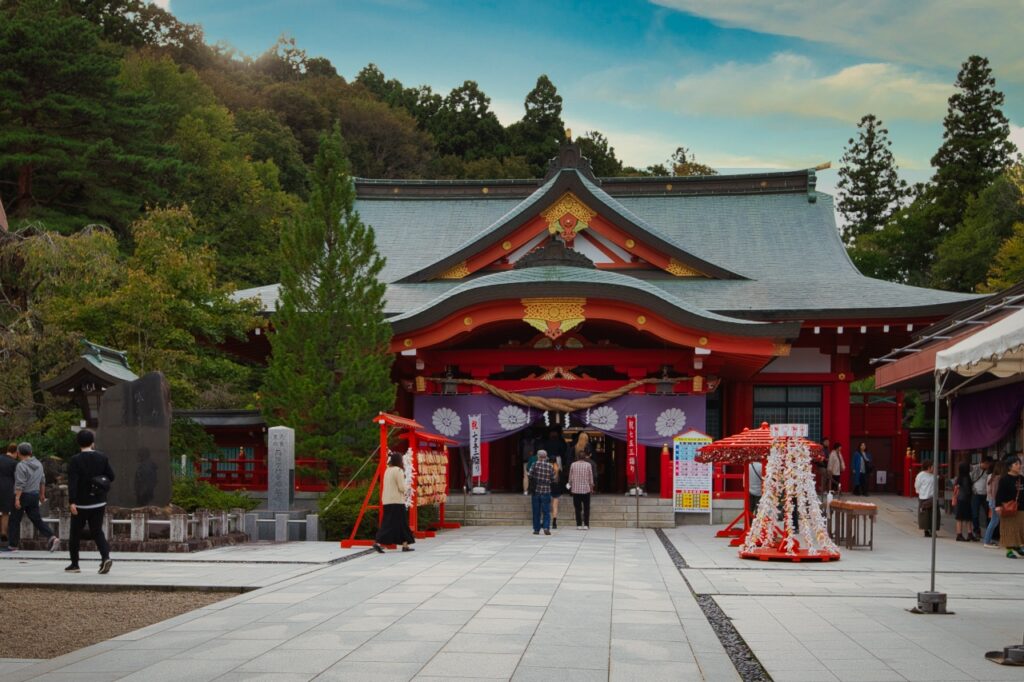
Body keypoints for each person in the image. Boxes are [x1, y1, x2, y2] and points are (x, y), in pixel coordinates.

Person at [67, 430, 115, 573]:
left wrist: (72, 501)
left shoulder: (75, 460)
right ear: (92, 442)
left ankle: (75, 564)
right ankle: (105, 557)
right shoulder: (102, 457)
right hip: (99, 501)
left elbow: (72, 482)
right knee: (97, 531)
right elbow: (111, 476)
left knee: (75, 534)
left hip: (81, 503)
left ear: (78, 443)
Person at [3, 443, 60, 553]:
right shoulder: (38, 464)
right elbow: (42, 480)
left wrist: (17, 499)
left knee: (14, 520)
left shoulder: (21, 465)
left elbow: (20, 483)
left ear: (19, 453)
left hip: (23, 495)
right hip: (34, 495)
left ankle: (13, 546)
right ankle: (52, 537)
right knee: (37, 520)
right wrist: (42, 495)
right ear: (31, 452)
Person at [373, 451, 415, 553]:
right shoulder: (398, 471)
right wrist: (407, 488)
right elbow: (401, 487)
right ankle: (378, 542)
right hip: (397, 501)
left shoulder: (388, 470)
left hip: (387, 500)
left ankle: (405, 545)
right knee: (396, 523)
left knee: (396, 523)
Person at [995, 455, 1024, 559]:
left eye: (1019, 463)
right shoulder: (1004, 479)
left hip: (1021, 508)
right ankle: (1009, 550)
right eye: (1016, 464)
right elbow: (999, 494)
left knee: (1020, 529)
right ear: (1010, 466)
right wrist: (998, 506)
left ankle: (1018, 546)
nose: (1019, 466)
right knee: (1009, 529)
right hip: (1008, 508)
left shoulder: (1021, 478)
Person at [545, 429, 567, 529]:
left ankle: (546, 520)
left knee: (546, 503)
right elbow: (563, 451)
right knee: (555, 504)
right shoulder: (560, 442)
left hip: (547, 484)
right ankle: (554, 521)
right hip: (556, 484)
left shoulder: (547, 443)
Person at [528, 450, 554, 535]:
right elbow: (553, 478)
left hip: (536, 490)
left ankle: (536, 529)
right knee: (546, 511)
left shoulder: (534, 464)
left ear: (538, 456)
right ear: (546, 456)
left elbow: (529, 475)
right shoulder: (550, 466)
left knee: (536, 511)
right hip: (546, 490)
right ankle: (546, 527)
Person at [569, 449, 595, 529]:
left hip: (576, 490)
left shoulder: (573, 464)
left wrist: (570, 485)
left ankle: (579, 525)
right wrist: (592, 487)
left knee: (577, 508)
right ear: (585, 457)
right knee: (586, 508)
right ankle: (586, 525)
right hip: (586, 489)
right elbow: (591, 477)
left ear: (577, 457)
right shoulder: (588, 465)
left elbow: (570, 477)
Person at [983, 460, 1005, 548]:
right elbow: (996, 492)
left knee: (994, 521)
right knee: (994, 522)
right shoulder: (999, 478)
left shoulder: (992, 477)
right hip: (996, 502)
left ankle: (987, 540)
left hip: (992, 500)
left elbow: (989, 491)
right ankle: (987, 541)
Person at [970, 456, 991, 541]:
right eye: (988, 464)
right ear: (984, 463)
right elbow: (970, 479)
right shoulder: (974, 468)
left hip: (986, 494)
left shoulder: (989, 471)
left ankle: (989, 531)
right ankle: (977, 531)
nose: (988, 466)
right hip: (976, 494)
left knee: (988, 513)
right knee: (975, 514)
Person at [915, 459, 938, 537]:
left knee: (934, 515)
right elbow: (917, 485)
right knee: (925, 516)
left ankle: (933, 530)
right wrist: (921, 493)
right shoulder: (921, 475)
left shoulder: (935, 475)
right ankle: (926, 530)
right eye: (933, 466)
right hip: (924, 497)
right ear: (929, 467)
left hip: (933, 497)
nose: (934, 468)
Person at [0, 443, 18, 544]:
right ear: (15, 452)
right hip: (7, 488)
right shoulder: (14, 463)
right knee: (5, 512)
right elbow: (17, 478)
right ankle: (3, 532)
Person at [953, 461, 974, 541]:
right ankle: (961, 534)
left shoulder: (960, 477)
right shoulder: (966, 478)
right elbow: (967, 490)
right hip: (964, 499)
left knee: (962, 517)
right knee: (964, 517)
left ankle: (966, 533)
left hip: (961, 499)